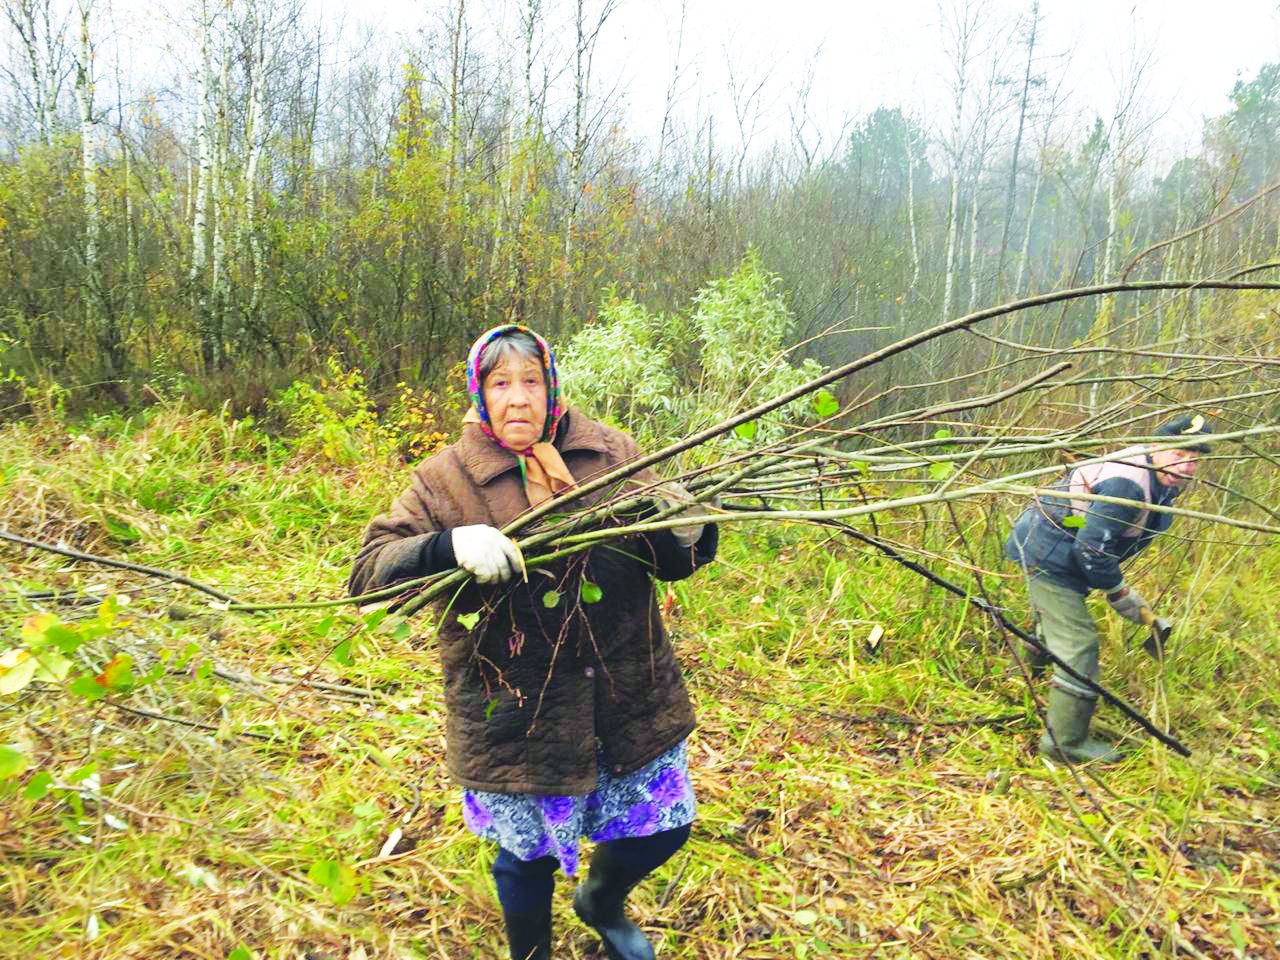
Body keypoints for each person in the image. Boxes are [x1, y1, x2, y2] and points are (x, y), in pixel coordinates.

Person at [348, 324, 718, 960]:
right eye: (500, 383)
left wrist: (687, 524)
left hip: (624, 693)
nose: (517, 398)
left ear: (552, 389)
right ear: (479, 394)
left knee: (664, 827)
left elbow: (674, 559)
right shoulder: (443, 480)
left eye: (531, 381)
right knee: (525, 860)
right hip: (518, 711)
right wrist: (446, 546)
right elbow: (367, 573)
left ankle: (600, 901)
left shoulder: (611, 455)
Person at [1004, 414, 1213, 764]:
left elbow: (1086, 523)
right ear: (1157, 447)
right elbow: (1092, 548)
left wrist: (1078, 526)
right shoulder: (1127, 484)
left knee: (1056, 622)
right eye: (1179, 455)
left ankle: (1021, 678)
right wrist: (1118, 592)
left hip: (1056, 539)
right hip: (1047, 552)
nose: (1188, 466)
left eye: (1195, 458)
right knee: (1079, 643)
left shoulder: (1159, 481)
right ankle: (1064, 746)